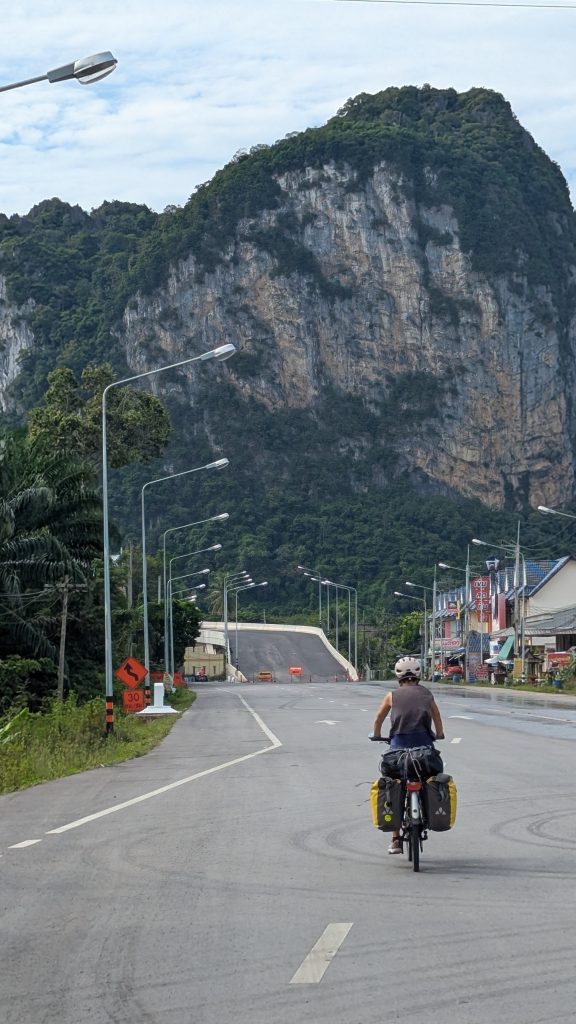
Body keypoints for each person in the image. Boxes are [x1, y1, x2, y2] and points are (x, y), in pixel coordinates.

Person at [371, 656, 445, 855]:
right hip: (425, 751)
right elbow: (437, 717)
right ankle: (430, 814)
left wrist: (377, 735)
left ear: (398, 675)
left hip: (397, 751)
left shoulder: (391, 696)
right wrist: (439, 734)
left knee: (394, 784)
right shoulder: (427, 694)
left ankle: (395, 839)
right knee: (431, 778)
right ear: (418, 674)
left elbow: (379, 718)